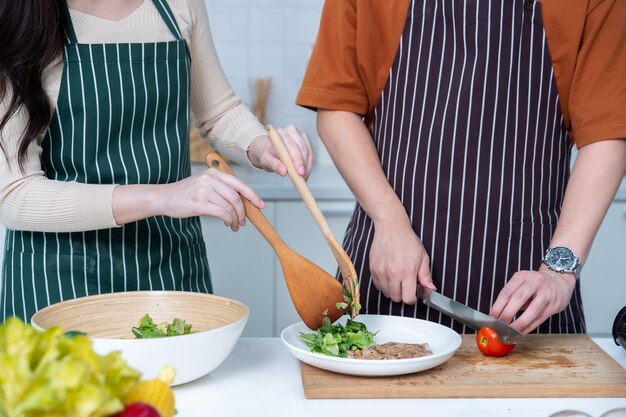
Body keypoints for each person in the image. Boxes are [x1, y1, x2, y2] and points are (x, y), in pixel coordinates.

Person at [296, 0, 626, 334]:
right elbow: (337, 107)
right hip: (390, 274)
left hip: (526, 299)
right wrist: (389, 219)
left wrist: (559, 270)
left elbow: (608, 132)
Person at [0, 0, 314, 323]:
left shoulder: (180, 4)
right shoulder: (24, 17)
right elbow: (14, 194)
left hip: (169, 272)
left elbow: (219, 112)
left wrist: (262, 146)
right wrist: (162, 197)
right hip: (59, 284)